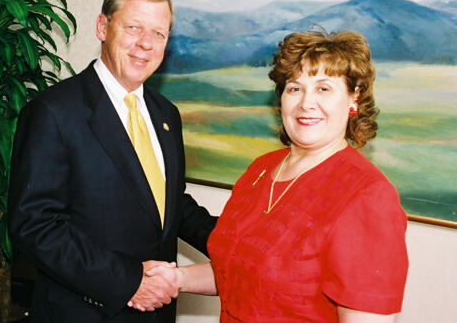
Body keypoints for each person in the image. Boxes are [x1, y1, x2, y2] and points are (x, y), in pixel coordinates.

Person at [147, 29, 409, 322]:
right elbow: (238, 270)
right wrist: (175, 278)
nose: (306, 103)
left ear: (353, 99)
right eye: (295, 88)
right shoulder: (260, 170)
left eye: (324, 88)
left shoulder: (367, 196)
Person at [8, 0, 217, 323]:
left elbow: (169, 203)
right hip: (85, 313)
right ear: (103, 27)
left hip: (158, 313)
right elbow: (35, 226)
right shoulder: (54, 111)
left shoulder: (167, 114)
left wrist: (238, 243)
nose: (145, 44)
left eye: (159, 33)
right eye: (133, 27)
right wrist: (130, 280)